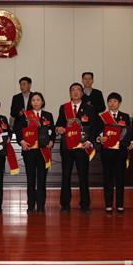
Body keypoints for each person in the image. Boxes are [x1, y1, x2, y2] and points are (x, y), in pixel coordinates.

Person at [56, 82, 101, 214]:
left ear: (82, 93)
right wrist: (59, 128)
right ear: (70, 93)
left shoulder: (89, 108)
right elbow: (59, 124)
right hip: (67, 147)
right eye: (73, 90)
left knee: (83, 176)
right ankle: (65, 204)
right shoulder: (64, 108)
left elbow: (94, 127)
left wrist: (90, 141)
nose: (75, 92)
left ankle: (85, 204)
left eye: (78, 90)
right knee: (66, 175)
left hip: (82, 147)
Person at [14, 92, 55, 213]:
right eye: (33, 100)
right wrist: (21, 141)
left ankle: (41, 205)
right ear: (30, 103)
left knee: (42, 179)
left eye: (38, 100)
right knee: (31, 179)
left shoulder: (48, 115)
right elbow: (18, 130)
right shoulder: (25, 115)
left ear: (42, 102)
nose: (36, 102)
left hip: (43, 150)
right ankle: (30, 205)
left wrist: (51, 141)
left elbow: (52, 130)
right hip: (29, 151)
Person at [97, 92, 133, 213]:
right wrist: (100, 138)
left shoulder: (125, 116)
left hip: (121, 151)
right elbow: (97, 132)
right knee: (108, 178)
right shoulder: (102, 117)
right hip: (107, 151)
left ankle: (119, 204)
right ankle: (108, 204)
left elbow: (130, 132)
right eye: (110, 101)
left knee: (120, 178)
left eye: (115, 101)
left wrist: (131, 141)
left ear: (119, 103)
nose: (112, 104)